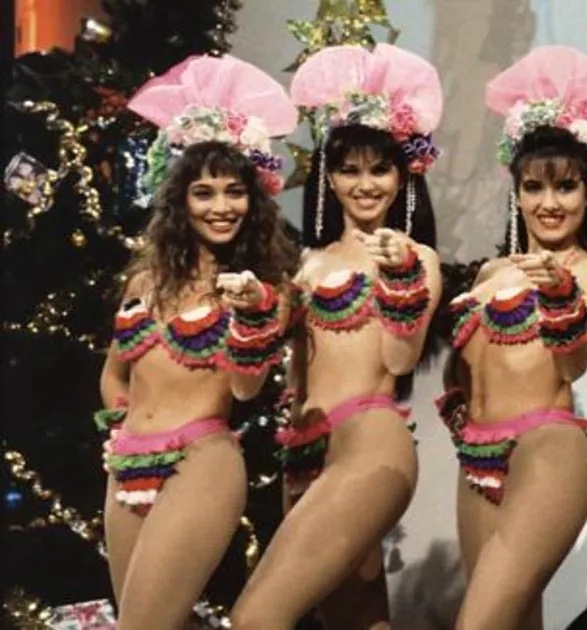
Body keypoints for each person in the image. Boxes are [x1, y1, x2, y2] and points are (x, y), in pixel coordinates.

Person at [231, 43, 444, 629]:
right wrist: (252, 308)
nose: (364, 184)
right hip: (303, 448)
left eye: (379, 169)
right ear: (328, 176)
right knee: (355, 619)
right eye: (349, 170)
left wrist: (399, 275)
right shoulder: (306, 263)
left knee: (257, 616)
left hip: (369, 441)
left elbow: (401, 358)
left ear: (403, 174)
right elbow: (248, 383)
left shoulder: (416, 256)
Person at [433, 45, 587, 630]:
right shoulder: (491, 274)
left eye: (565, 187)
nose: (549, 204)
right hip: (477, 459)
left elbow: (572, 363)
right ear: (517, 191)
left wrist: (559, 293)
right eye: (533, 187)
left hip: (546, 450)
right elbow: (458, 372)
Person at [99, 53, 298, 629]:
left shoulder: (266, 287)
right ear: (180, 201)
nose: (221, 207)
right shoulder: (145, 282)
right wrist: (122, 429)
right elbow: (115, 371)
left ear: (253, 199)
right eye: (204, 193)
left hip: (201, 462)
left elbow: (246, 387)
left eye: (235, 192)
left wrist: (251, 314)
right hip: (127, 466)